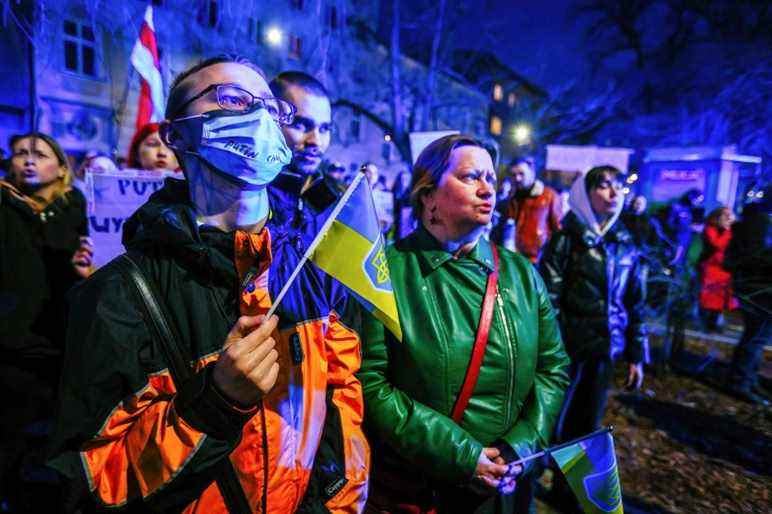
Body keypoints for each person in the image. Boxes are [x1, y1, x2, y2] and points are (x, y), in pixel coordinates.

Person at [48, 55, 369, 513]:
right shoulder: (119, 294)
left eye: (269, 107)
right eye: (234, 99)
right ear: (175, 134)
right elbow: (92, 481)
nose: (258, 116)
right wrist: (216, 404)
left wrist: (333, 505)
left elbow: (344, 402)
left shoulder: (314, 272)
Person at [359, 134, 570, 514]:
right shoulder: (385, 272)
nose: (488, 188)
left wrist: (520, 446)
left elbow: (553, 369)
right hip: (421, 491)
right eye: (471, 176)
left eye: (491, 177)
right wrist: (461, 454)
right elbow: (370, 383)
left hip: (505, 488)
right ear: (428, 196)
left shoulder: (522, 275)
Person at [539, 166, 648, 509]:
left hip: (604, 350)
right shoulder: (565, 239)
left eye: (619, 186)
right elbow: (549, 300)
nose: (614, 193)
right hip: (568, 350)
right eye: (604, 186)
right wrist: (549, 351)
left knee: (587, 424)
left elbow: (635, 302)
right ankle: (535, 482)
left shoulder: (625, 243)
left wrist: (636, 352)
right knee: (554, 422)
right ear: (586, 193)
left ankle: (568, 493)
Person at [0, 132, 93, 511]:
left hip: (63, 342)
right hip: (10, 344)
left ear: (60, 166)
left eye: (39, 154)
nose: (28, 160)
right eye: (20, 153)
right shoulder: (3, 205)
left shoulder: (77, 207)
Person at [724, 185, 772, 406]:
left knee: (756, 335)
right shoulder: (761, 223)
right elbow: (757, 256)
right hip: (758, 288)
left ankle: (747, 379)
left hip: (754, 286)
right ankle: (740, 381)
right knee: (756, 335)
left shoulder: (756, 220)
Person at [502, 156, 562, 263]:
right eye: (513, 175)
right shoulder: (512, 199)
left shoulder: (549, 196)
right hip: (514, 258)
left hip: (539, 259)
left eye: (521, 174)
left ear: (531, 172)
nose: (517, 178)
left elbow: (558, 229)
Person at [698, 207, 738, 331]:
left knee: (720, 298)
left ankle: (714, 322)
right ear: (717, 216)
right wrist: (728, 231)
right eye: (725, 215)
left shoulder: (732, 230)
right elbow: (718, 244)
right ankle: (706, 323)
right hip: (711, 268)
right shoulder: (710, 229)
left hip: (724, 269)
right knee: (709, 297)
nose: (728, 218)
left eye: (730, 215)